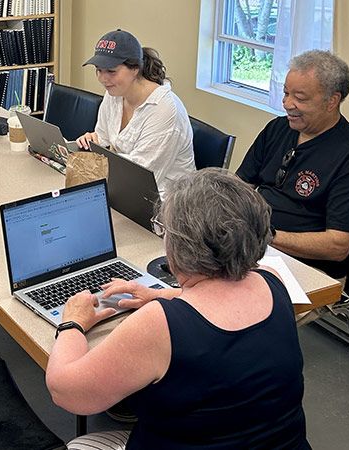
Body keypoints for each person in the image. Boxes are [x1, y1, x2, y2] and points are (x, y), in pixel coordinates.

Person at [46, 168, 310, 450]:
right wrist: (159, 294)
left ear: (180, 243)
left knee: (82, 443)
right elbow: (220, 308)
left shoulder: (159, 324)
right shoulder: (272, 281)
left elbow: (66, 391)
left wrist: (72, 323)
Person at [237, 50, 349, 279]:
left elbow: (338, 246)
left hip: (302, 265)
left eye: (300, 98)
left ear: (332, 101)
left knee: (219, 299)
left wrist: (263, 236)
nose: (287, 104)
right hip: (252, 246)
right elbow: (240, 185)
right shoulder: (277, 129)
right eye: (285, 93)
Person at [75, 29, 195, 195]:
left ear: (135, 69)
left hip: (165, 202)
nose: (102, 78)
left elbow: (141, 176)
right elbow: (102, 138)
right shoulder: (114, 93)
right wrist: (92, 141)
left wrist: (94, 164)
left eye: (111, 71)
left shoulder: (164, 110)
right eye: (99, 69)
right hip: (125, 187)